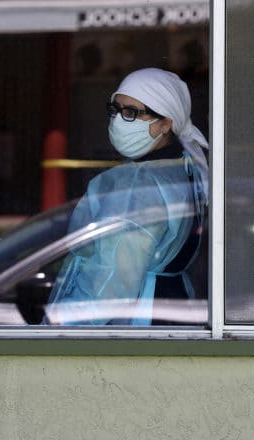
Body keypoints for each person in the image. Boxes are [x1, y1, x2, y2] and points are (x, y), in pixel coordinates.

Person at [46, 68, 209, 325]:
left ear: (166, 123)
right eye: (116, 109)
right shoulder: (184, 168)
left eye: (132, 113)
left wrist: (62, 327)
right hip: (174, 311)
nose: (119, 120)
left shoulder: (139, 184)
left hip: (138, 321)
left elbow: (112, 283)